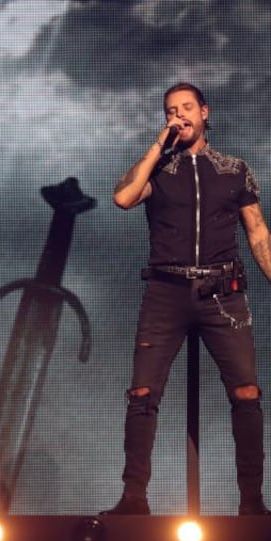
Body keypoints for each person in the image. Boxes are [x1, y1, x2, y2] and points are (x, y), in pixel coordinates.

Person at [104, 82, 271, 516]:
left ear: (205, 112)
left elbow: (257, 233)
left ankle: (252, 501)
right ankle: (134, 498)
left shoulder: (234, 169)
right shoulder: (160, 170)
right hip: (166, 292)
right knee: (142, 392)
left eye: (186, 108)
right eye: (170, 110)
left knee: (247, 392)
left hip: (222, 295)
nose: (179, 115)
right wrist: (160, 144)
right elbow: (122, 197)